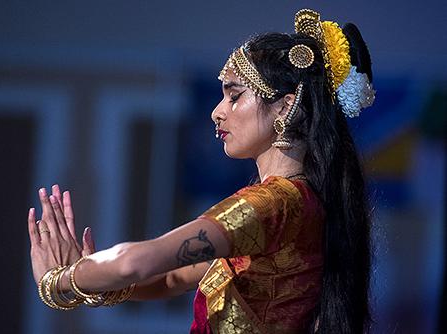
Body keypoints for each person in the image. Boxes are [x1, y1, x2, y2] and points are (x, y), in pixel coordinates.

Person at [28, 8, 375, 333]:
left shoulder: (272, 205)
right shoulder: (299, 202)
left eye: (234, 95)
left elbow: (135, 263)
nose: (217, 111)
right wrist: (91, 278)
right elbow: (170, 279)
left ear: (286, 106)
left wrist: (60, 282)